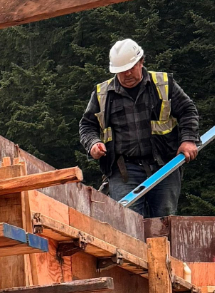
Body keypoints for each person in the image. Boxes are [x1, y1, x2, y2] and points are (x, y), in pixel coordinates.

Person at [79, 38, 201, 218]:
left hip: (164, 165)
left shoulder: (164, 84)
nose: (127, 74)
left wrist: (189, 139)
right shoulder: (102, 93)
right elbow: (87, 125)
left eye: (131, 68)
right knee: (127, 223)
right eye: (122, 71)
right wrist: (93, 144)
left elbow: (188, 110)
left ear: (141, 61)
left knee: (164, 222)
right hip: (124, 170)